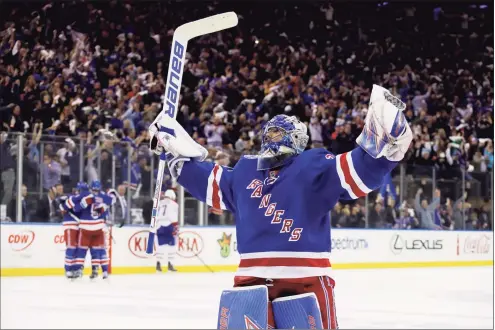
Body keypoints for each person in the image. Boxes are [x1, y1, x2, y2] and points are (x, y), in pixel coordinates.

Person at [149, 84, 413, 329]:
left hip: (258, 282)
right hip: (301, 279)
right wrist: (388, 141)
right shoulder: (304, 164)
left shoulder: (251, 170)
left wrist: (175, 154)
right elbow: (362, 171)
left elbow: (205, 181)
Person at [72, 180, 114, 280]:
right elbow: (111, 201)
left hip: (86, 226)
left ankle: (78, 270)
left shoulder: (86, 196)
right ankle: (97, 270)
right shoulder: (103, 196)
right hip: (99, 227)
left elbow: (76, 209)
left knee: (82, 250)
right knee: (97, 250)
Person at [58, 181, 88, 279]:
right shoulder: (71, 198)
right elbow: (63, 204)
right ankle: (68, 269)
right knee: (71, 247)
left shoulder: (85, 200)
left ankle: (76, 268)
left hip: (80, 225)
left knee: (80, 248)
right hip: (70, 225)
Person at [154, 189, 179, 272]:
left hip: (159, 226)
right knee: (172, 246)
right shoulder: (174, 204)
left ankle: (158, 264)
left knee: (160, 246)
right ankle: (170, 264)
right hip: (169, 225)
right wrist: (176, 227)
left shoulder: (159, 203)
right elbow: (173, 217)